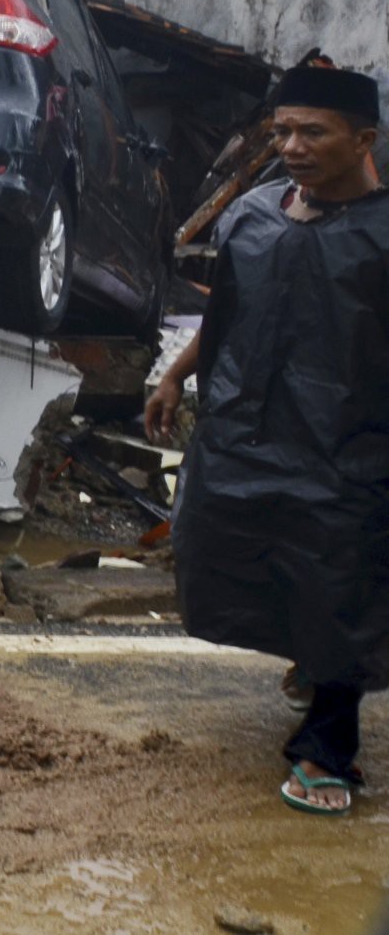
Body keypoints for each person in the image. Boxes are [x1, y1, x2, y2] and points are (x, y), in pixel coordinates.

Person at [146, 63, 389, 819]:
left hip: (350, 445)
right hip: (246, 429)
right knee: (218, 543)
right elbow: (225, 316)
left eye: (312, 131)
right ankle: (313, 658)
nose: (291, 145)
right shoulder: (252, 214)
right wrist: (174, 376)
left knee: (339, 576)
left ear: (363, 138)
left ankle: (329, 749)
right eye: (281, 130)